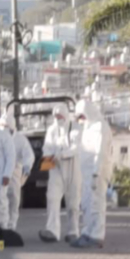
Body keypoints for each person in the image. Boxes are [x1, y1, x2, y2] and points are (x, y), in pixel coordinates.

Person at [70, 100, 113, 249]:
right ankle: (87, 232)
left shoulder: (101, 127)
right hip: (86, 173)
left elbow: (100, 153)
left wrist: (96, 173)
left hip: (97, 174)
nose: (81, 119)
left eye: (83, 116)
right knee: (86, 204)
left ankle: (97, 235)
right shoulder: (88, 127)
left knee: (96, 204)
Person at [40, 103, 81, 243]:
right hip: (56, 169)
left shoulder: (76, 128)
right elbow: (46, 147)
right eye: (55, 116)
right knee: (52, 197)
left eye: (60, 115)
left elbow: (77, 147)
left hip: (73, 168)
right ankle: (52, 230)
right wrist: (50, 156)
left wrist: (62, 154)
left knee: (73, 202)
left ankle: (73, 231)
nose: (58, 118)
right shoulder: (52, 130)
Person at [0, 113, 36, 230]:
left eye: (6, 127)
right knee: (0, 198)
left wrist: (27, 166)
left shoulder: (20, 139)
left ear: (12, 127)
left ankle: (12, 224)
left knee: (14, 198)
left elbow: (28, 154)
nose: (4, 129)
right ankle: (1, 224)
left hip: (15, 171)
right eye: (2, 126)